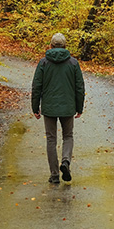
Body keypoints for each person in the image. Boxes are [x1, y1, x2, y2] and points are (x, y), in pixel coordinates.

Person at [31, 33, 85, 184]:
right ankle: (66, 162)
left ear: (51, 45)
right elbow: (79, 87)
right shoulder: (73, 63)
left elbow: (36, 87)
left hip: (49, 107)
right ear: (65, 46)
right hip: (68, 106)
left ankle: (54, 175)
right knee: (68, 136)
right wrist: (79, 107)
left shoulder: (43, 63)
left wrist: (35, 107)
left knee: (51, 139)